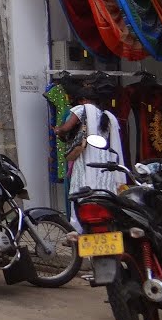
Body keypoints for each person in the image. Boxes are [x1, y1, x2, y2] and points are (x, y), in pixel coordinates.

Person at [53, 83, 125, 234]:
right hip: (105, 162)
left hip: (87, 159)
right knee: (103, 194)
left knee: (80, 194)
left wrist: (57, 130)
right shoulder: (107, 116)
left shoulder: (83, 109)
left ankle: (78, 230)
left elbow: (66, 128)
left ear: (83, 100)